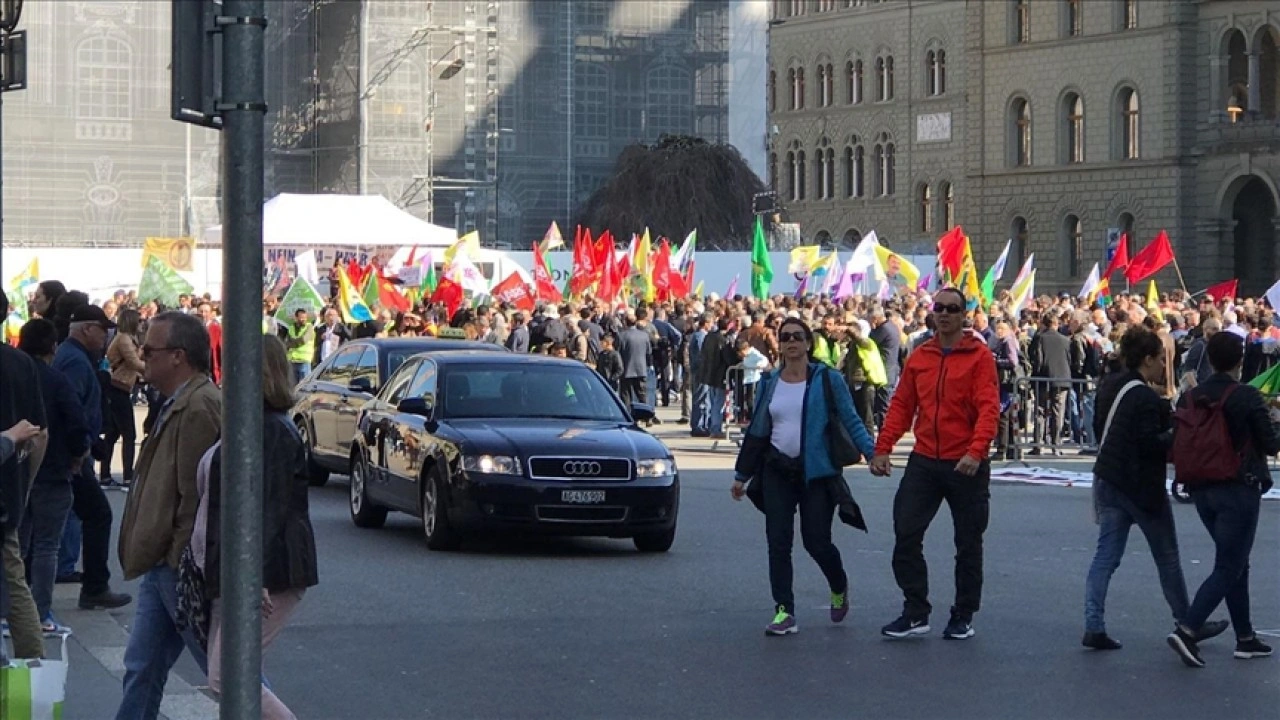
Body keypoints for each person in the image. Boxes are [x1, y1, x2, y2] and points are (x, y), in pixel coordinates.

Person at [192, 336, 318, 718]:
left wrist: (253, 574)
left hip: (266, 570)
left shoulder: (270, 429)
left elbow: (269, 507)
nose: (224, 374)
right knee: (230, 675)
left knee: (227, 677)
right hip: (235, 566)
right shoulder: (247, 422)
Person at [731, 318, 876, 635]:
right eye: (786, 338)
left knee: (816, 541)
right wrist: (742, 475)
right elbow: (757, 430)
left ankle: (838, 585)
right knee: (778, 542)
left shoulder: (827, 379)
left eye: (798, 337)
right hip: (776, 471)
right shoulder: (770, 382)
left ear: (808, 343)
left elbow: (851, 420)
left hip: (816, 472)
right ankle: (784, 611)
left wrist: (873, 451)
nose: (791, 342)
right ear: (779, 345)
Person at [870, 288, 1000, 641]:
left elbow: (989, 408)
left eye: (952, 309)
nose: (944, 314)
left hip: (966, 463)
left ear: (964, 315)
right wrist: (883, 448)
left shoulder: (979, 357)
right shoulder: (921, 355)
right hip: (925, 459)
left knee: (968, 543)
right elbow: (901, 405)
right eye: (939, 308)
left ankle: (963, 614)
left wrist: (976, 452)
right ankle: (915, 611)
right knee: (905, 532)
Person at [1084, 326, 1224, 652]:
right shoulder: (1145, 397)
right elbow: (1150, 444)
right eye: (1161, 359)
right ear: (1147, 359)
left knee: (1106, 557)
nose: (1164, 365)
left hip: (1110, 479)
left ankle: (1094, 624)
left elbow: (1101, 428)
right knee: (1168, 558)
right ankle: (1187, 623)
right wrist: (1175, 429)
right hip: (1141, 488)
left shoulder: (1110, 386)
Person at [116, 311, 222, 720]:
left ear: (178, 356)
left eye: (150, 351)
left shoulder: (199, 406)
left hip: (177, 565)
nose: (143, 358)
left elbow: (197, 496)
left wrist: (179, 557)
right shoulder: (180, 401)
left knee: (226, 672)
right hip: (165, 562)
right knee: (142, 667)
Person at [1166, 332, 1280, 667]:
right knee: (1229, 564)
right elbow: (1271, 443)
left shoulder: (1192, 395)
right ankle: (1188, 628)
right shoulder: (1245, 395)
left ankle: (1245, 637)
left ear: (1211, 359)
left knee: (1234, 561)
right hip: (1238, 487)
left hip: (1202, 488)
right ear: (1240, 361)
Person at [52, 304, 132, 611]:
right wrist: (78, 449)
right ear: (87, 329)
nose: (106, 335)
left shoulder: (74, 357)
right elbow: (67, 408)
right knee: (98, 514)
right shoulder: (74, 361)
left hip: (76, 450)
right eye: (103, 329)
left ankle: (94, 585)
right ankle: (95, 587)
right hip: (72, 454)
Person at [19, 319, 89, 635]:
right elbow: (76, 423)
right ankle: (39, 612)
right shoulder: (57, 381)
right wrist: (78, 456)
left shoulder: (12, 374)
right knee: (48, 545)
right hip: (53, 469)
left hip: (15, 471)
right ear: (53, 347)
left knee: (14, 545)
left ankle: (10, 611)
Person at [0, 291, 48, 659]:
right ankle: (33, 670)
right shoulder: (21, 364)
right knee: (14, 582)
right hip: (8, 489)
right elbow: (38, 433)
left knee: (14, 583)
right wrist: (24, 485)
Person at [102, 308, 145, 486]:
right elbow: (133, 362)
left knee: (113, 433)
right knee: (129, 433)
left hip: (120, 387)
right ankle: (128, 475)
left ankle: (105, 474)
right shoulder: (124, 339)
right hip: (118, 388)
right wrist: (151, 371)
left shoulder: (127, 339)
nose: (142, 323)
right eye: (139, 320)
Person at [283, 308, 316, 383]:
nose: (303, 319)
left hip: (304, 361)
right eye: (301, 317)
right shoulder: (291, 328)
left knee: (305, 385)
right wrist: (293, 342)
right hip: (292, 361)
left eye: (305, 318)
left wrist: (292, 342)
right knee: (292, 385)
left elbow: (303, 340)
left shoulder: (309, 327)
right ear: (296, 318)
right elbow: (286, 343)